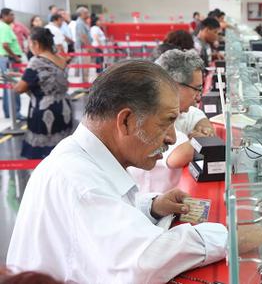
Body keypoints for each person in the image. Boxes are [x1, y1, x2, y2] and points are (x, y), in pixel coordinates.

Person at [7, 60, 228, 283]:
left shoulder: (78, 155)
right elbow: (143, 263)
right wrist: (229, 238)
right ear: (126, 121)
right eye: (166, 122)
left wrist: (151, 206)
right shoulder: (80, 182)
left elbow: (102, 215)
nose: (171, 137)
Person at [129, 49, 214, 193]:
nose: (199, 97)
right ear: (173, 85)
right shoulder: (151, 115)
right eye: (197, 89)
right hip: (149, 202)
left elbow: (197, 116)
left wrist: (204, 130)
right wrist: (200, 141)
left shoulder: (179, 110)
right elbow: (177, 157)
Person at [13, 27, 72, 159]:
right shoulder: (60, 59)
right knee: (62, 150)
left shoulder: (36, 61)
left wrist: (15, 84)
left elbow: (20, 88)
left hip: (44, 110)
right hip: (64, 109)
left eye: (30, 44)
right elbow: (48, 77)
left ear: (36, 43)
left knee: (42, 155)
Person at [0, 8, 23, 120]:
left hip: (6, 59)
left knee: (8, 87)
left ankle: (9, 112)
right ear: (4, 16)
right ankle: (15, 112)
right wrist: (15, 57)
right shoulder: (4, 27)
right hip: (9, 60)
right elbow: (5, 45)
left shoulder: (4, 26)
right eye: (11, 15)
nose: (13, 17)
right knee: (13, 86)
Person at [73, 6, 92, 82]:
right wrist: (88, 47)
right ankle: (84, 83)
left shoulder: (83, 22)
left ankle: (85, 82)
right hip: (83, 48)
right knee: (84, 66)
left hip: (84, 47)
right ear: (81, 14)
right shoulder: (80, 23)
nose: (88, 14)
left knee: (85, 67)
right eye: (86, 13)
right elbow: (83, 36)